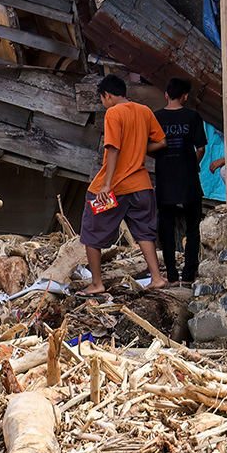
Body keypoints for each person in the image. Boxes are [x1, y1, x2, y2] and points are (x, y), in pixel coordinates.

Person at [79, 74, 168, 297]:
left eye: (102, 99)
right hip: (141, 184)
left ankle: (97, 283)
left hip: (115, 187)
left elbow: (113, 148)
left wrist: (107, 184)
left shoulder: (113, 113)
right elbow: (161, 141)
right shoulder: (144, 110)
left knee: (91, 231)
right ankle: (156, 278)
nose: (103, 103)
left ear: (107, 95)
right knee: (145, 232)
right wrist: (139, 149)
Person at [153, 77, 206, 286]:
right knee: (192, 228)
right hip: (188, 178)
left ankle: (172, 277)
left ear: (166, 94)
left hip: (165, 179)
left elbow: (151, 147)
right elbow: (200, 148)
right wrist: (192, 162)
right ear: (185, 96)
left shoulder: (156, 117)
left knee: (166, 228)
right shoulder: (193, 116)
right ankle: (188, 276)